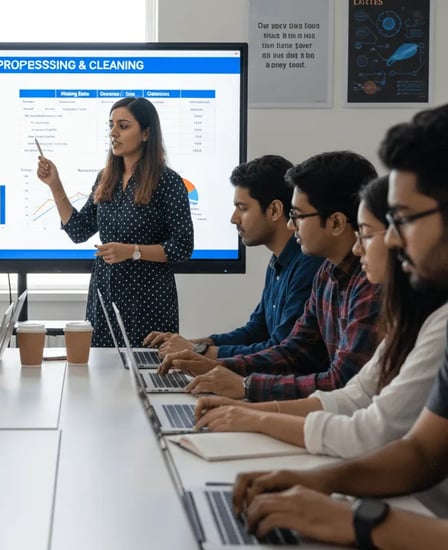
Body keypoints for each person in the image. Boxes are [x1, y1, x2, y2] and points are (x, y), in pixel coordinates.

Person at [231, 104, 448, 549]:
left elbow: (371, 424)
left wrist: (360, 522)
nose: (388, 239)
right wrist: (314, 482)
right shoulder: (434, 317)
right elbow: (418, 451)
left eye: (402, 220)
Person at [193, 175, 448, 458]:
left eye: (367, 233)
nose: (357, 246)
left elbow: (364, 423)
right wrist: (245, 402)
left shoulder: (389, 299)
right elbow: (353, 392)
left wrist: (252, 405)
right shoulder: (328, 274)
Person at [159, 151, 380, 401]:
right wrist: (213, 365)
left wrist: (244, 385)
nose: (290, 224)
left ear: (337, 223)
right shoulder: (327, 273)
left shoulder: (369, 283)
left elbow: (342, 383)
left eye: (297, 216)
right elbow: (292, 349)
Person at [36, 97, 194, 347]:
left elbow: (182, 246)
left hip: (148, 302)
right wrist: (55, 184)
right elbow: (79, 230)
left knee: (146, 374)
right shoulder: (105, 178)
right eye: (111, 125)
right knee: (101, 376)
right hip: (105, 299)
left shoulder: (168, 182)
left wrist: (133, 251)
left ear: (146, 133)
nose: (113, 133)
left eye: (123, 126)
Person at [144, 155, 323, 359]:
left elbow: (281, 348)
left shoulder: (308, 265)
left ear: (274, 210)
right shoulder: (278, 262)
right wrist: (194, 344)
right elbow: (256, 331)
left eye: (242, 208)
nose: (233, 218)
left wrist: (198, 352)